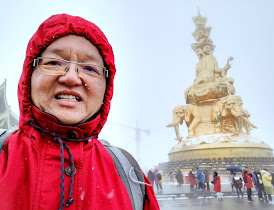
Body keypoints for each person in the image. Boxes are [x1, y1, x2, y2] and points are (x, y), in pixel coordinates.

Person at [0, 14, 159, 210]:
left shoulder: (128, 175)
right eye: (54, 63)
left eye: (90, 68)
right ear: (29, 76)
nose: (71, 78)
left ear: (106, 88)